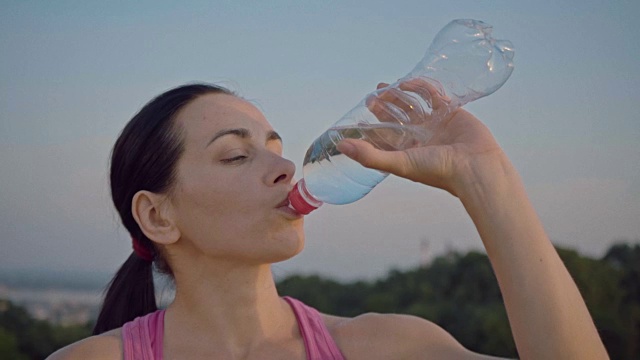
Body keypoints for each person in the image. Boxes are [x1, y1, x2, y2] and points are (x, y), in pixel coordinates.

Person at [48, 81, 608, 359]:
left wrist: (487, 180)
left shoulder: (387, 347)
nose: (286, 168)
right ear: (157, 215)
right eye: (236, 155)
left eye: (276, 147)